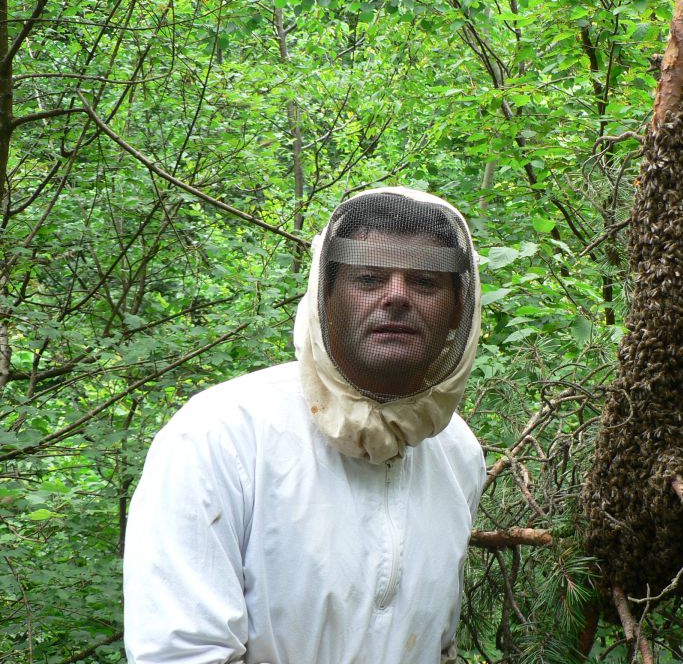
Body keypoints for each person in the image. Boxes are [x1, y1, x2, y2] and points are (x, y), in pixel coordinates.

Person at [123, 188, 485, 664]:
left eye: (424, 282)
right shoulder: (219, 435)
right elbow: (180, 655)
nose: (396, 296)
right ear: (325, 297)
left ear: (458, 310)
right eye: (369, 278)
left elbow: (436, 645)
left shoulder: (457, 451)